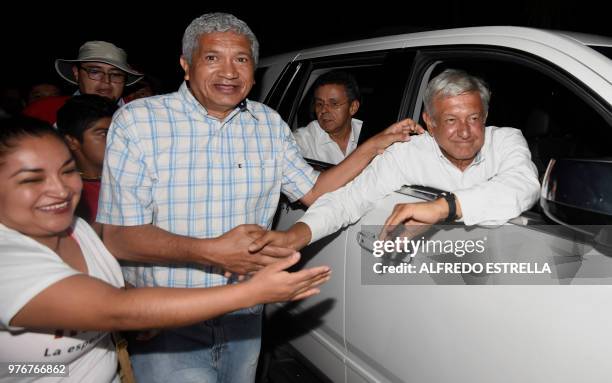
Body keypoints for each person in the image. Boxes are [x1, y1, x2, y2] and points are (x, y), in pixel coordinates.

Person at [97, 12, 422, 383]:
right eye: (212, 58)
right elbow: (120, 238)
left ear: (253, 70)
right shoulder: (139, 123)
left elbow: (315, 191)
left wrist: (376, 144)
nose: (229, 71)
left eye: (241, 59)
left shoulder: (268, 124)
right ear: (186, 66)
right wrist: (211, 250)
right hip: (170, 318)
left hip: (246, 312)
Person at [0, 117, 331, 383]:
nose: (59, 189)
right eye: (31, 179)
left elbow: (113, 293)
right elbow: (118, 308)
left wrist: (140, 315)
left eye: (68, 171)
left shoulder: (76, 230)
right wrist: (253, 292)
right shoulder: (8, 262)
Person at [250, 68, 541, 252]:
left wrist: (442, 208)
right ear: (429, 122)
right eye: (451, 120)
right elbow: (349, 198)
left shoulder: (505, 140)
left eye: (474, 118)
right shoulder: (408, 153)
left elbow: (523, 185)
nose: (464, 131)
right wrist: (297, 235)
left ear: (485, 118)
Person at [56, 94, 118, 232]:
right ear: (72, 142)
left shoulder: (136, 177)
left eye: (118, 132)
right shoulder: (66, 192)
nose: (116, 140)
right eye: (104, 134)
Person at [293, 70, 362, 164]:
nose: (324, 110)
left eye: (334, 104)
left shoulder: (370, 135)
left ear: (353, 107)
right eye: (319, 104)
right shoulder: (303, 140)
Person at [55, 41, 143, 106]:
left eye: (116, 74)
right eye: (95, 72)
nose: (106, 81)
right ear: (76, 73)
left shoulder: (140, 115)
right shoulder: (49, 112)